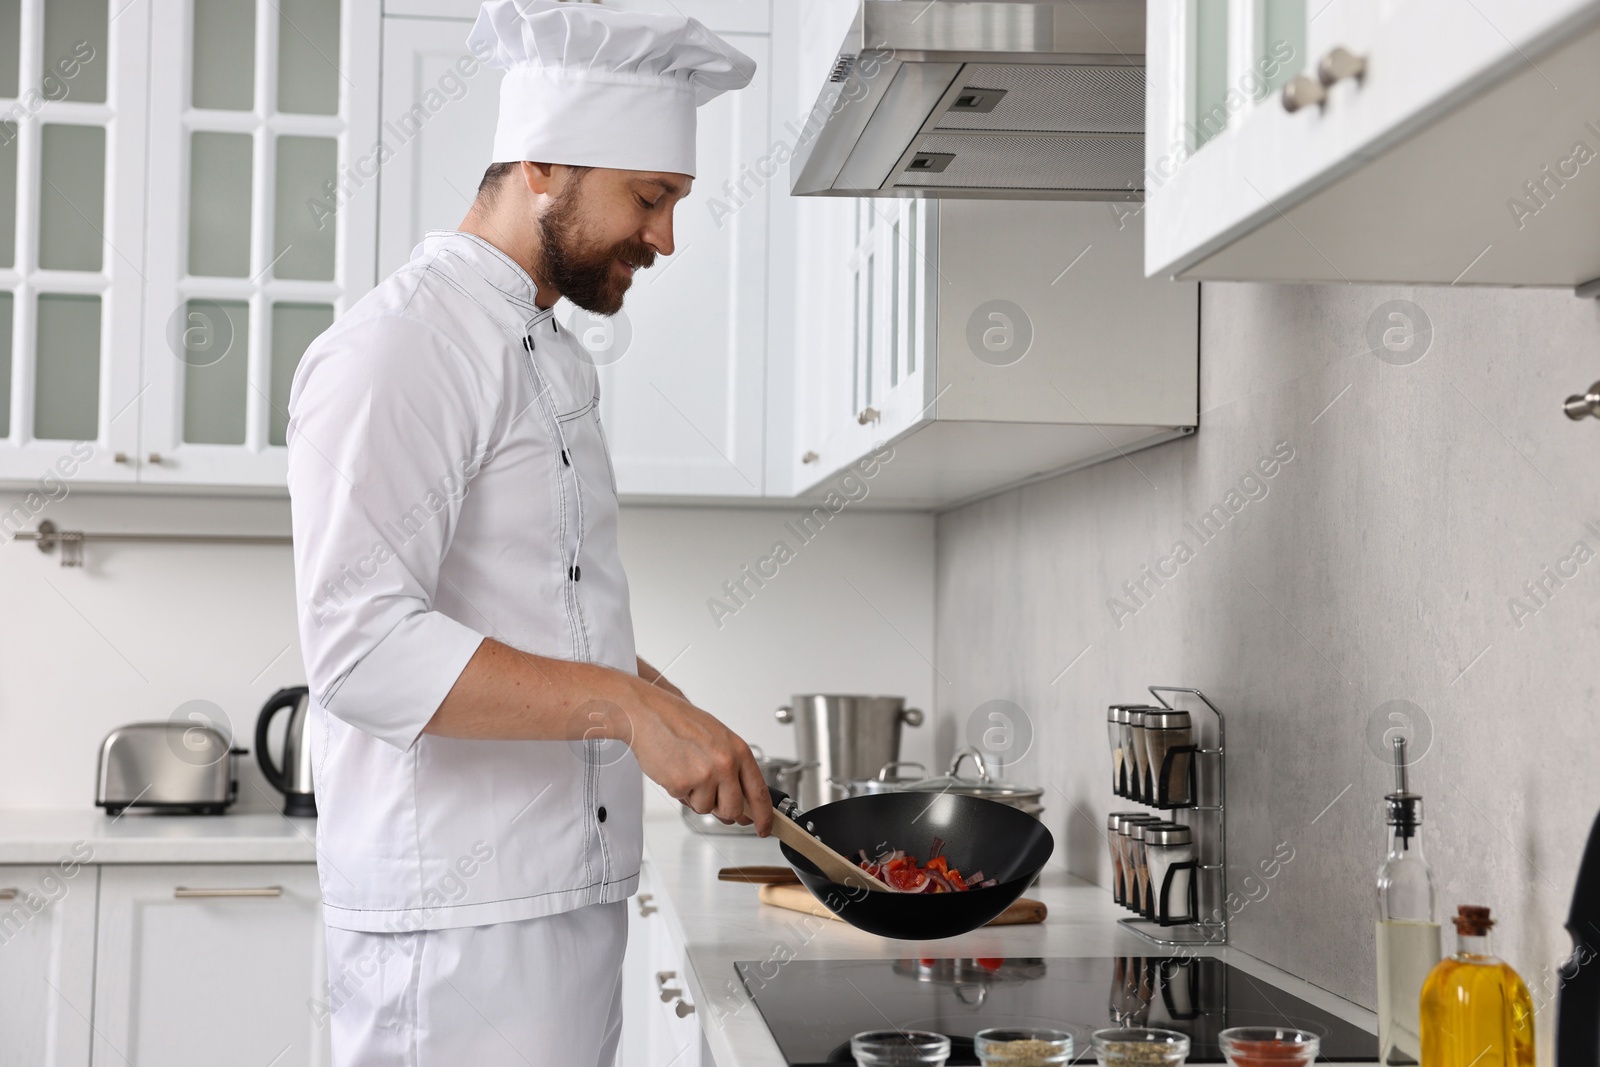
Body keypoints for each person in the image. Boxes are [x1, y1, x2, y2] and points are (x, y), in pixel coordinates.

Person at [284, 2, 772, 1063]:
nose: (666, 237)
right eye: (650, 197)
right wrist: (627, 704)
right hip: (454, 922)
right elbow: (359, 649)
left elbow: (525, 603)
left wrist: (667, 708)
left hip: (556, 899)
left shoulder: (542, 350)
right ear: (543, 164)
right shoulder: (400, 346)